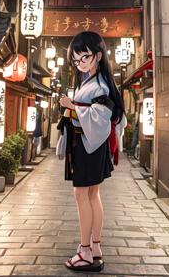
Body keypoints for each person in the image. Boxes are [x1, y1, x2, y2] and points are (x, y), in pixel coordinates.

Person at [59, 31, 126, 272]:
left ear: (98, 56)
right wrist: (76, 107)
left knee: (81, 195)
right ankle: (95, 247)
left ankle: (86, 251)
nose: (80, 64)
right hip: (91, 144)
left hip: (88, 144)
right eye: (76, 60)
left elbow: (100, 117)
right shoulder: (98, 83)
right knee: (92, 194)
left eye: (84, 57)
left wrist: (71, 106)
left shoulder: (99, 86)